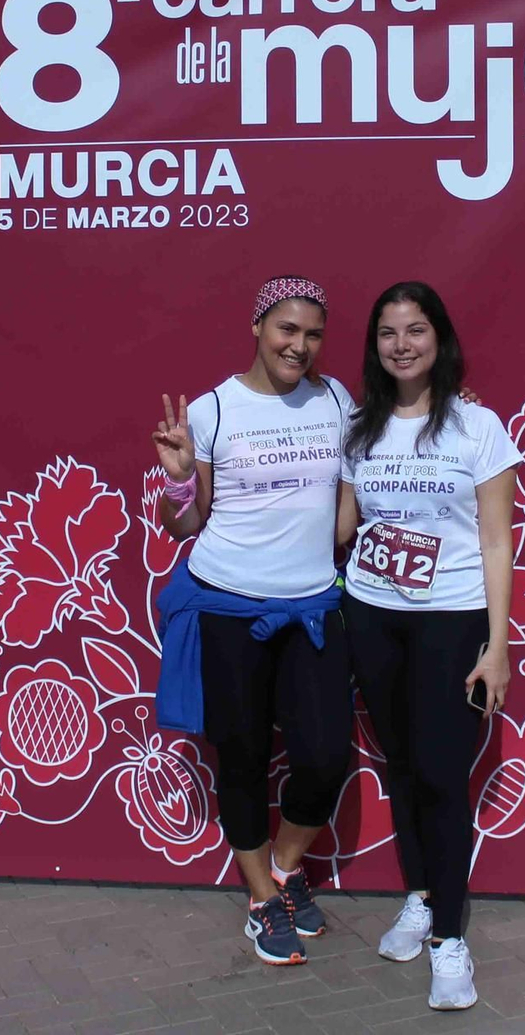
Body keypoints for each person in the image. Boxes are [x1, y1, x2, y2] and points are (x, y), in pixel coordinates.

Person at [150, 276, 352, 966]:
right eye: (287, 329)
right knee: (242, 759)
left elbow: (384, 451)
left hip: (313, 607)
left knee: (325, 758)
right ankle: (264, 897)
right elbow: (186, 522)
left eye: (314, 333)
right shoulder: (211, 409)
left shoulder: (335, 399)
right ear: (258, 327)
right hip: (229, 604)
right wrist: (178, 478)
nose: (300, 345)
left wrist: (455, 407)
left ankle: (290, 866)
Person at [336, 281, 519, 1012]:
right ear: (375, 345)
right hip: (373, 615)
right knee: (405, 766)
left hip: (452, 618)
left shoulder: (477, 427)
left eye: (415, 329)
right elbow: (344, 526)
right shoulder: (360, 428)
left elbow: (498, 539)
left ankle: (450, 938)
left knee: (444, 773)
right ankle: (418, 894)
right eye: (387, 332)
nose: (401, 343)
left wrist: (497, 646)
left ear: (439, 338)